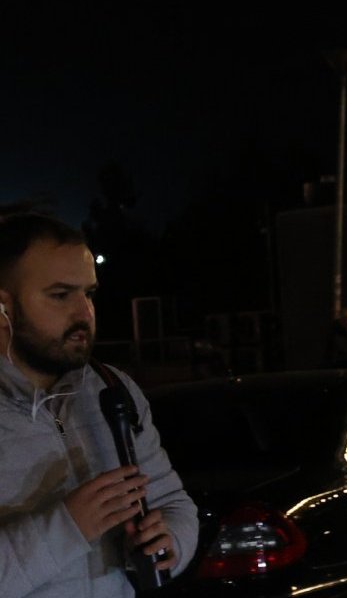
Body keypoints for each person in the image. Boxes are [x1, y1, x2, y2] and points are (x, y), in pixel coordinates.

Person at [0, 213, 198, 597]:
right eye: (61, 295)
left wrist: (168, 542)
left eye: (88, 294)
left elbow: (172, 503)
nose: (84, 314)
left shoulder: (111, 388)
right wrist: (67, 527)